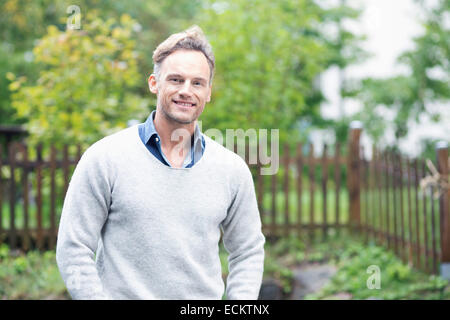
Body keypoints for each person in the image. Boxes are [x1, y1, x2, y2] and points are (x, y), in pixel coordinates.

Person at [56, 25, 266, 300]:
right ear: (154, 83)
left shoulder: (232, 170)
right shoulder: (105, 158)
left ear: (209, 92)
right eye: (176, 80)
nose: (186, 91)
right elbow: (73, 247)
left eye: (197, 83)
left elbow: (248, 251)